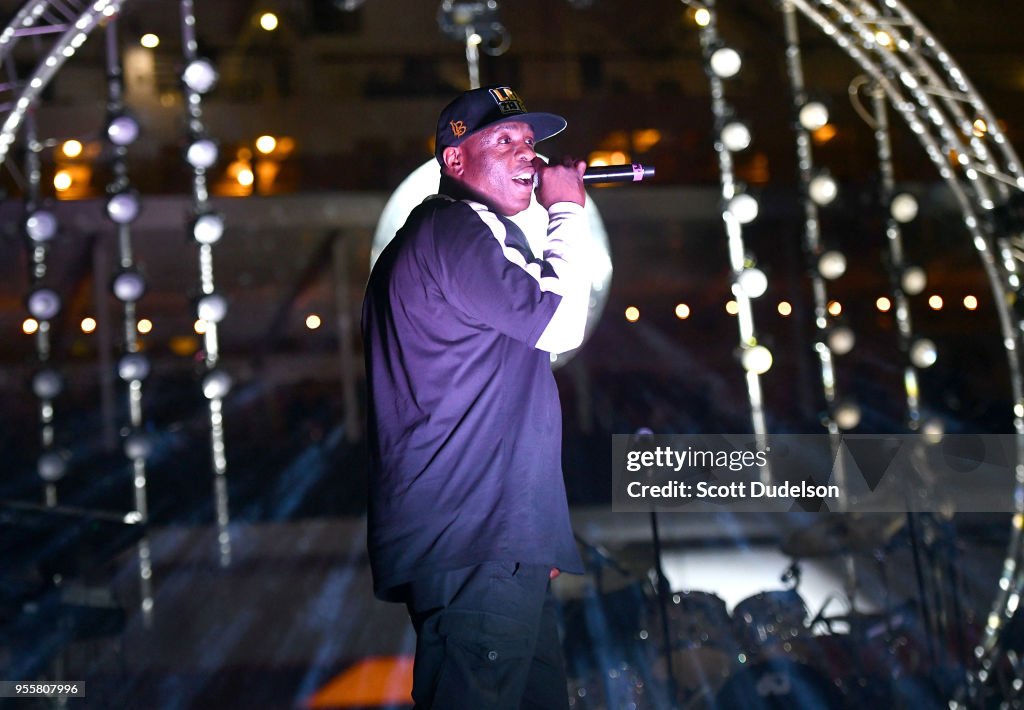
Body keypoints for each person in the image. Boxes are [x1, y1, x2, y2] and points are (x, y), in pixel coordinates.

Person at [361, 84, 592, 709]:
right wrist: (566, 210)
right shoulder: (450, 232)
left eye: (530, 143)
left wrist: (531, 536)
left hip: (496, 539)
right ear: (454, 161)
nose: (530, 156)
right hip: (476, 536)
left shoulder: (470, 240)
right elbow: (562, 324)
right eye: (504, 141)